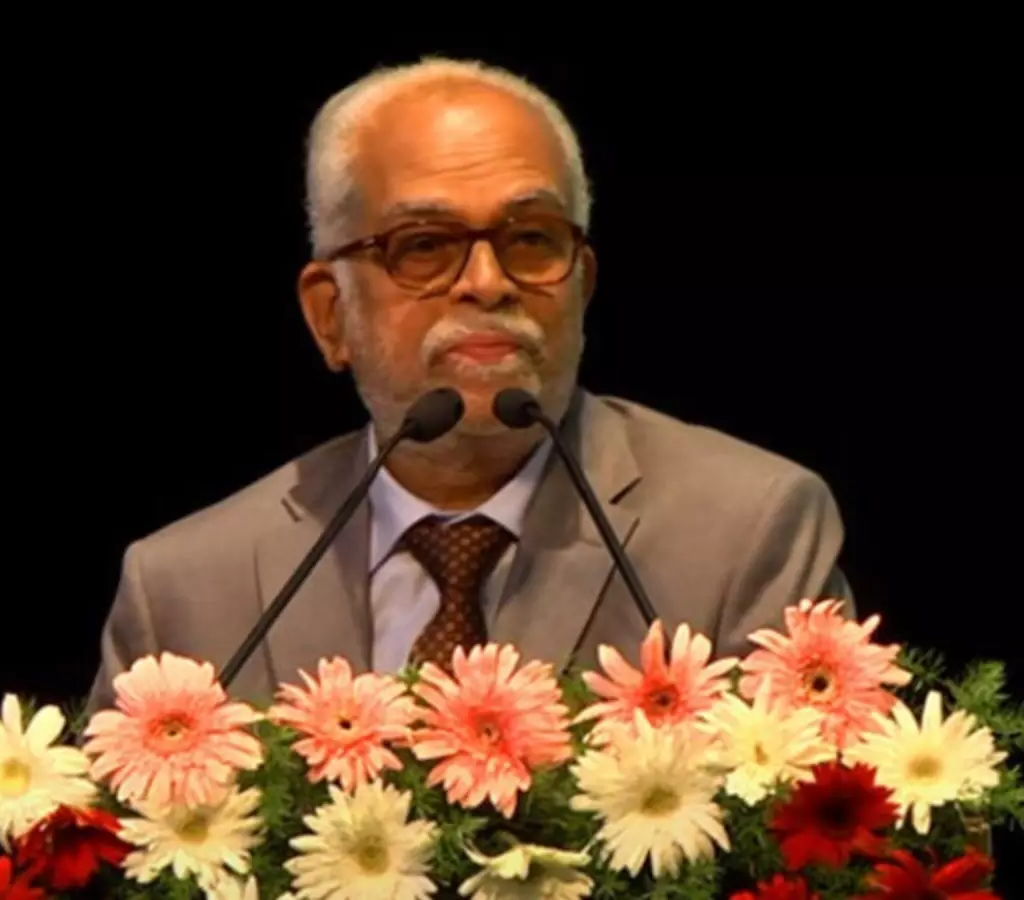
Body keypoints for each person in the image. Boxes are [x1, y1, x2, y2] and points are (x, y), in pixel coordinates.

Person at [86, 57, 852, 711]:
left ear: (581, 286)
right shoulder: (185, 589)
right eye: (424, 245)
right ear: (330, 315)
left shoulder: (746, 531)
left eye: (530, 238)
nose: (488, 282)